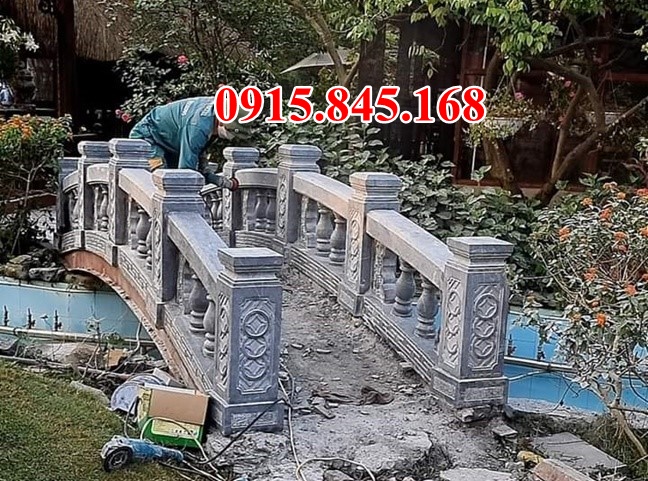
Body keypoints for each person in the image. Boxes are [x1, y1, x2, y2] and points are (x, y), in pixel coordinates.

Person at [128, 96, 251, 190]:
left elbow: (198, 151)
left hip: (170, 141)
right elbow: (186, 172)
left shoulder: (217, 109)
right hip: (149, 136)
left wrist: (205, 171)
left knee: (175, 177)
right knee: (164, 181)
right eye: (231, 132)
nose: (231, 137)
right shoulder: (197, 126)